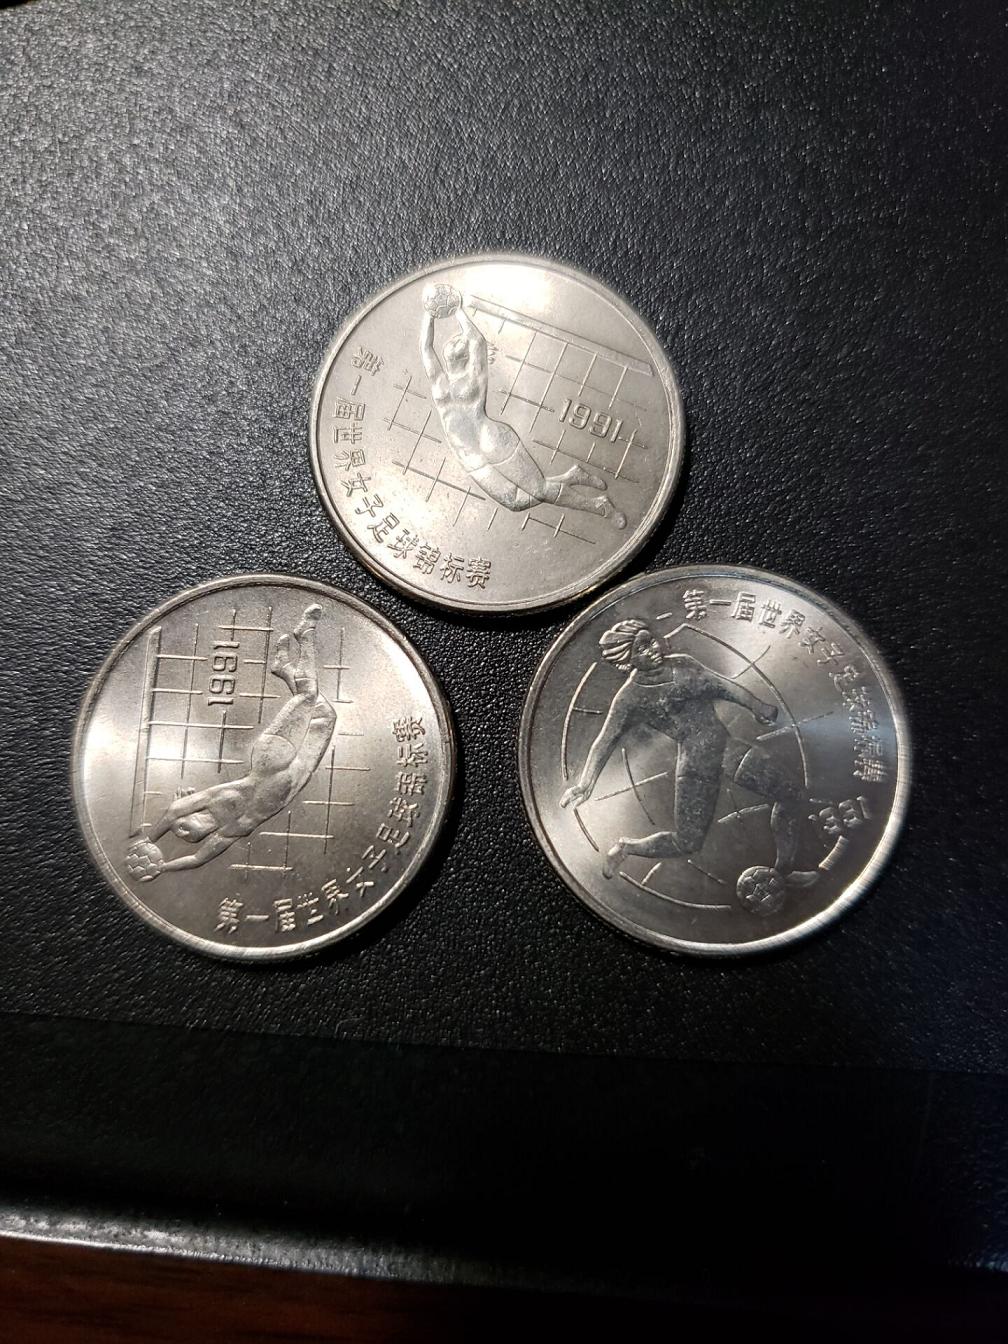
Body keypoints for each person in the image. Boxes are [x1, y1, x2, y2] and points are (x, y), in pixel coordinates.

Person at [560, 618, 820, 886]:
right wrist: (585, 784)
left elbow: (722, 685)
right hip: (695, 766)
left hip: (726, 748)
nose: (653, 649)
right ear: (628, 660)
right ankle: (627, 848)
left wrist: (756, 705)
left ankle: (785, 870)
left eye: (651, 641)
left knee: (791, 794)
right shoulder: (629, 697)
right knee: (687, 843)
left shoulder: (683, 663)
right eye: (642, 649)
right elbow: (605, 740)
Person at [125, 605, 336, 880]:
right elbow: (198, 859)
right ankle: (284, 669)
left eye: (181, 827)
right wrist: (164, 867)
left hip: (273, 759)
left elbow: (174, 810)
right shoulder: (229, 832)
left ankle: (305, 633)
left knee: (308, 696)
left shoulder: (216, 799)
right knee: (325, 716)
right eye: (186, 835)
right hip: (299, 771)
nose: (185, 832)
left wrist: (150, 838)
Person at [420, 293, 626, 526]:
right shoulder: (438, 380)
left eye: (459, 341)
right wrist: (429, 313)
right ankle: (571, 477)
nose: (454, 342)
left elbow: (477, 340)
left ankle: (600, 507)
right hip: (468, 455)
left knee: (539, 490)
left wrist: (458, 310)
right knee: (514, 502)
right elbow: (426, 348)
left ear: (466, 354)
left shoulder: (473, 376)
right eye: (452, 342)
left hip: (490, 438)